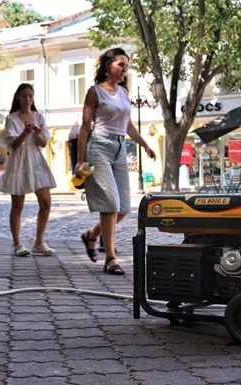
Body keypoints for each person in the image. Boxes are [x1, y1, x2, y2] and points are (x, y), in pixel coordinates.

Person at [75, 47, 156, 275]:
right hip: (98, 147)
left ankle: (92, 234)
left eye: (126, 66)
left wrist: (146, 145)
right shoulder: (95, 92)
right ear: (108, 65)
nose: (124, 70)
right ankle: (110, 257)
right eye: (121, 65)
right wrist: (80, 160)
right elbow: (84, 126)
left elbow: (128, 126)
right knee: (110, 203)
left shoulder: (123, 93)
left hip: (120, 148)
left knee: (123, 207)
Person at [0, 83, 57, 257]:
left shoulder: (38, 117)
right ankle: (17, 244)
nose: (27, 99)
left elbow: (44, 143)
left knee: (46, 203)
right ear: (17, 97)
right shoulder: (12, 119)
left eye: (30, 95)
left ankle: (39, 241)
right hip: (20, 161)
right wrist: (25, 132)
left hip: (36, 161)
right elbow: (13, 145)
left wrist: (36, 133)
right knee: (17, 206)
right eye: (24, 96)